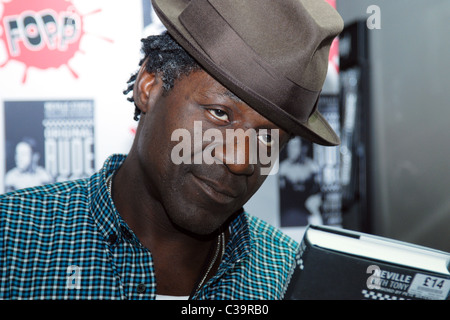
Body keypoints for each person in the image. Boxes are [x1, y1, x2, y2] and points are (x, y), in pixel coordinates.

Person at [0, 0, 343, 299]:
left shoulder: (289, 279)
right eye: (219, 114)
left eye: (268, 138)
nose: (241, 161)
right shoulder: (14, 240)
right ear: (149, 85)